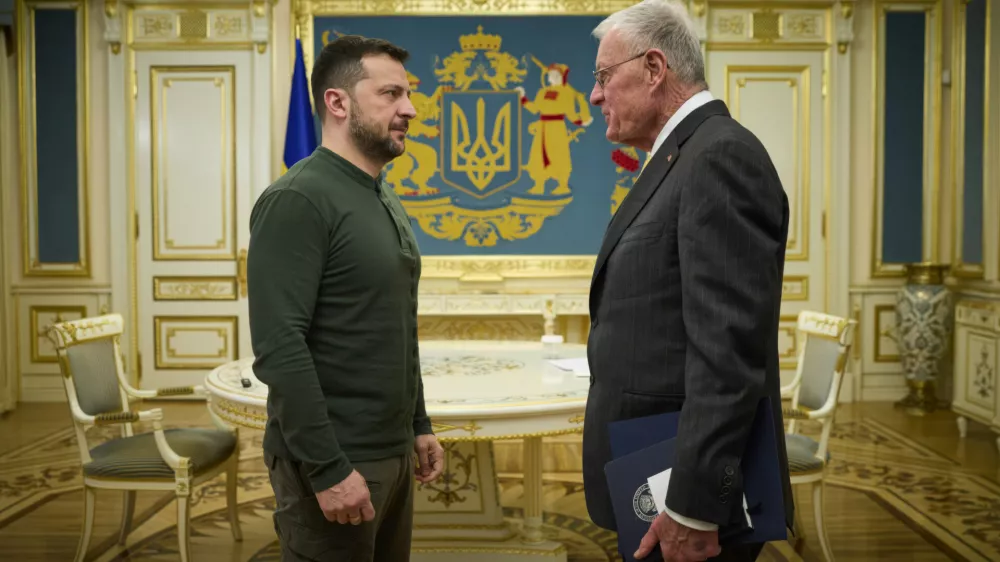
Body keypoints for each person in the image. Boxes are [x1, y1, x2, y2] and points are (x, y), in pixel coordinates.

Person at [582, 1, 794, 561]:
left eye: (604, 76)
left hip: (683, 495)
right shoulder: (681, 156)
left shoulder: (718, 155)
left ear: (654, 69)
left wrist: (695, 504)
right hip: (651, 469)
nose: (595, 95)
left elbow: (727, 353)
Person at [247, 35, 445, 562]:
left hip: (391, 453)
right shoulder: (298, 199)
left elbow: (396, 322)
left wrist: (418, 425)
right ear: (338, 103)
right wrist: (329, 468)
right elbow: (279, 347)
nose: (410, 109)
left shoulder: (383, 195)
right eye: (391, 94)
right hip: (335, 462)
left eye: (407, 94)